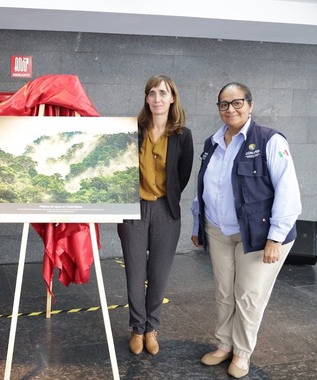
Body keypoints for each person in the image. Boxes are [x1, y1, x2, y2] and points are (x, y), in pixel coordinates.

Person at [191, 82, 302, 378]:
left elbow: (288, 194)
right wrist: (197, 224)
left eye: (237, 102)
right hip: (218, 230)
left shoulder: (270, 140)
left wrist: (275, 238)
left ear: (250, 105)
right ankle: (224, 344)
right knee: (224, 291)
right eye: (224, 104)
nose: (231, 109)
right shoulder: (212, 143)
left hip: (259, 235)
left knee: (248, 295)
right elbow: (203, 189)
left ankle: (242, 353)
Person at [117, 75, 194, 356]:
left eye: (163, 93)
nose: (157, 98)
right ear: (146, 98)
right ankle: (137, 329)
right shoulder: (132, 130)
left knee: (159, 274)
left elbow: (182, 176)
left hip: (166, 210)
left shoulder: (182, 135)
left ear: (172, 98)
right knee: (135, 274)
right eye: (152, 93)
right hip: (133, 208)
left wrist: (167, 195)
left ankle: (152, 328)